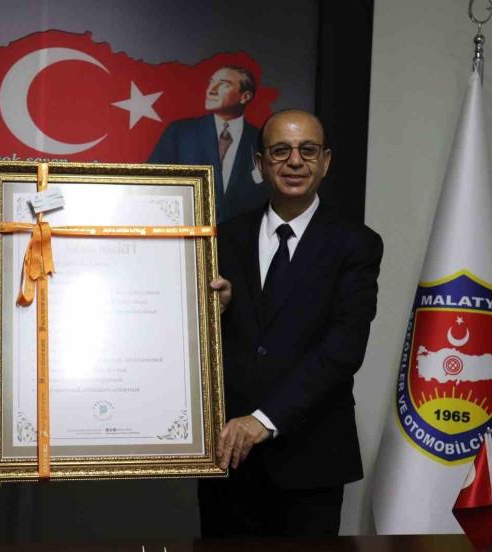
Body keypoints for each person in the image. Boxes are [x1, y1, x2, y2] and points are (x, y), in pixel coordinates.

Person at [201, 109, 383, 537]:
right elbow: (199, 339)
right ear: (260, 164)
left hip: (311, 462)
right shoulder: (222, 238)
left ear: (326, 162)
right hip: (229, 458)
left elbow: (343, 350)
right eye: (280, 150)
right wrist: (213, 313)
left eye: (308, 150)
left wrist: (264, 420)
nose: (295, 161)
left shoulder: (356, 244)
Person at [149, 65, 268, 223]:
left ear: (244, 97)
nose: (211, 90)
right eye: (211, 82)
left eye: (224, 84)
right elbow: (152, 185)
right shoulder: (180, 132)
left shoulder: (262, 140)